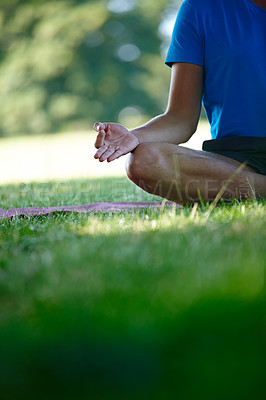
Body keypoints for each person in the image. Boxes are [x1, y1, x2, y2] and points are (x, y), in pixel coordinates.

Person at [93, 0, 266, 204]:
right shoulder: (199, 8)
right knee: (145, 161)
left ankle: (250, 190)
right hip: (235, 162)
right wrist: (133, 137)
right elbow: (180, 119)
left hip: (239, 177)